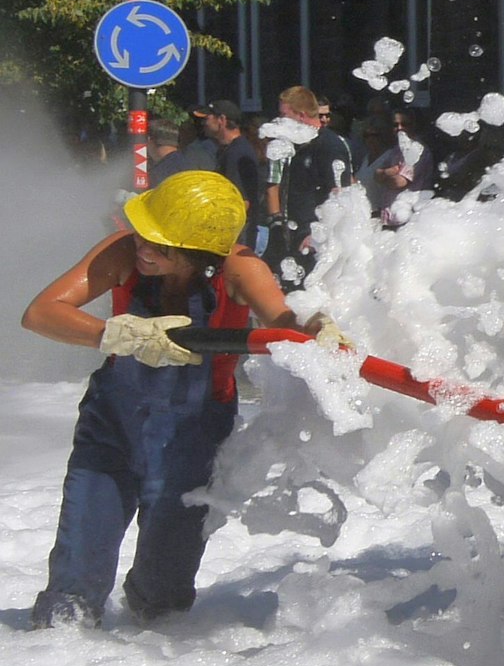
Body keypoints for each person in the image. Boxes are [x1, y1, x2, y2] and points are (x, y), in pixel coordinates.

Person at [21, 171, 333, 627]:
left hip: (195, 435)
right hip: (112, 425)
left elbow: (286, 321)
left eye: (161, 245)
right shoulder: (124, 252)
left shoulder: (240, 269)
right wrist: (115, 333)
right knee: (75, 578)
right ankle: (60, 648)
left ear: (202, 255)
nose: (144, 248)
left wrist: (321, 327)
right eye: (145, 235)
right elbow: (40, 314)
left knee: (162, 601)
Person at [265, 86, 356, 288]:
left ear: (302, 116)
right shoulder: (297, 146)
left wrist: (318, 235)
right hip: (295, 241)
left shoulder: (329, 145)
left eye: (283, 115)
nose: (278, 121)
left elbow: (341, 195)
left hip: (317, 245)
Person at [192, 100, 262, 250]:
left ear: (222, 120)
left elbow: (243, 201)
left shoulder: (237, 152)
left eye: (207, 118)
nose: (204, 123)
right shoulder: (228, 150)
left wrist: (222, 232)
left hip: (238, 237)